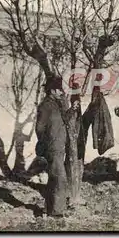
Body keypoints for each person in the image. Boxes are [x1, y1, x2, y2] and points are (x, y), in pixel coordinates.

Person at [33, 75, 70, 216]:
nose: (61, 92)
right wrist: (47, 144)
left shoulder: (57, 104)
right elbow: (39, 128)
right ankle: (56, 212)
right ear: (52, 91)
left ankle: (49, 209)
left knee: (54, 178)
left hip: (60, 146)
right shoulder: (45, 106)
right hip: (52, 147)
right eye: (59, 90)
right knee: (60, 178)